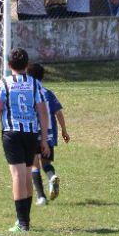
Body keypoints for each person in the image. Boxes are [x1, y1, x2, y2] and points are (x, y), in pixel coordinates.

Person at [0, 48, 51, 232]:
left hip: (12, 133)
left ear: (8, 65)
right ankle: (25, 221)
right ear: (27, 65)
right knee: (27, 174)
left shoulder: (4, 84)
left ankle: (22, 223)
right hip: (31, 134)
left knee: (17, 175)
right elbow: (43, 112)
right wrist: (44, 139)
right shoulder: (34, 84)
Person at [26, 63, 69, 206]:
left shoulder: (29, 93)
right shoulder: (48, 93)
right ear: (42, 77)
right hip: (50, 135)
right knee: (46, 162)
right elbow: (58, 112)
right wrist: (64, 130)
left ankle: (41, 197)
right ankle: (52, 176)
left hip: (33, 132)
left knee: (34, 165)